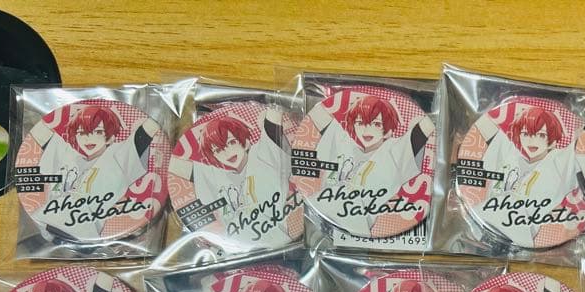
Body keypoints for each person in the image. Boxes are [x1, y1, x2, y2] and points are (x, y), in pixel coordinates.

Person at [29, 103, 159, 241]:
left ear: (110, 137)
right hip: (46, 223)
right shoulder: (67, 155)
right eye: (82, 133)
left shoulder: (116, 157)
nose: (88, 138)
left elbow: (144, 134)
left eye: (98, 132)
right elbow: (41, 134)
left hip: (82, 232)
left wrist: (159, 111)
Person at [308, 93, 432, 234]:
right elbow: (317, 113)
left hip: (353, 224)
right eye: (360, 123)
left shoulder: (393, 153)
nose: (367, 130)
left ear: (388, 131)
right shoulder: (343, 141)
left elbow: (422, 130)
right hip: (317, 212)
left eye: (376, 124)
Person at [176, 108, 293, 248]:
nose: (227, 152)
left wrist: (273, 109)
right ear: (214, 157)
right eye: (218, 150)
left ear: (246, 142)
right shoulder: (212, 174)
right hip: (232, 248)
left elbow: (273, 119)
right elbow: (175, 168)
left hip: (277, 243)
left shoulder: (261, 155)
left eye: (231, 143)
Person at [472, 104, 582, 245]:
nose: (532, 141)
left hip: (519, 236)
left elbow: (581, 140)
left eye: (541, 135)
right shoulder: (509, 151)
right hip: (483, 221)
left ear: (552, 142)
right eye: (526, 134)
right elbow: (484, 124)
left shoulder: (559, 163)